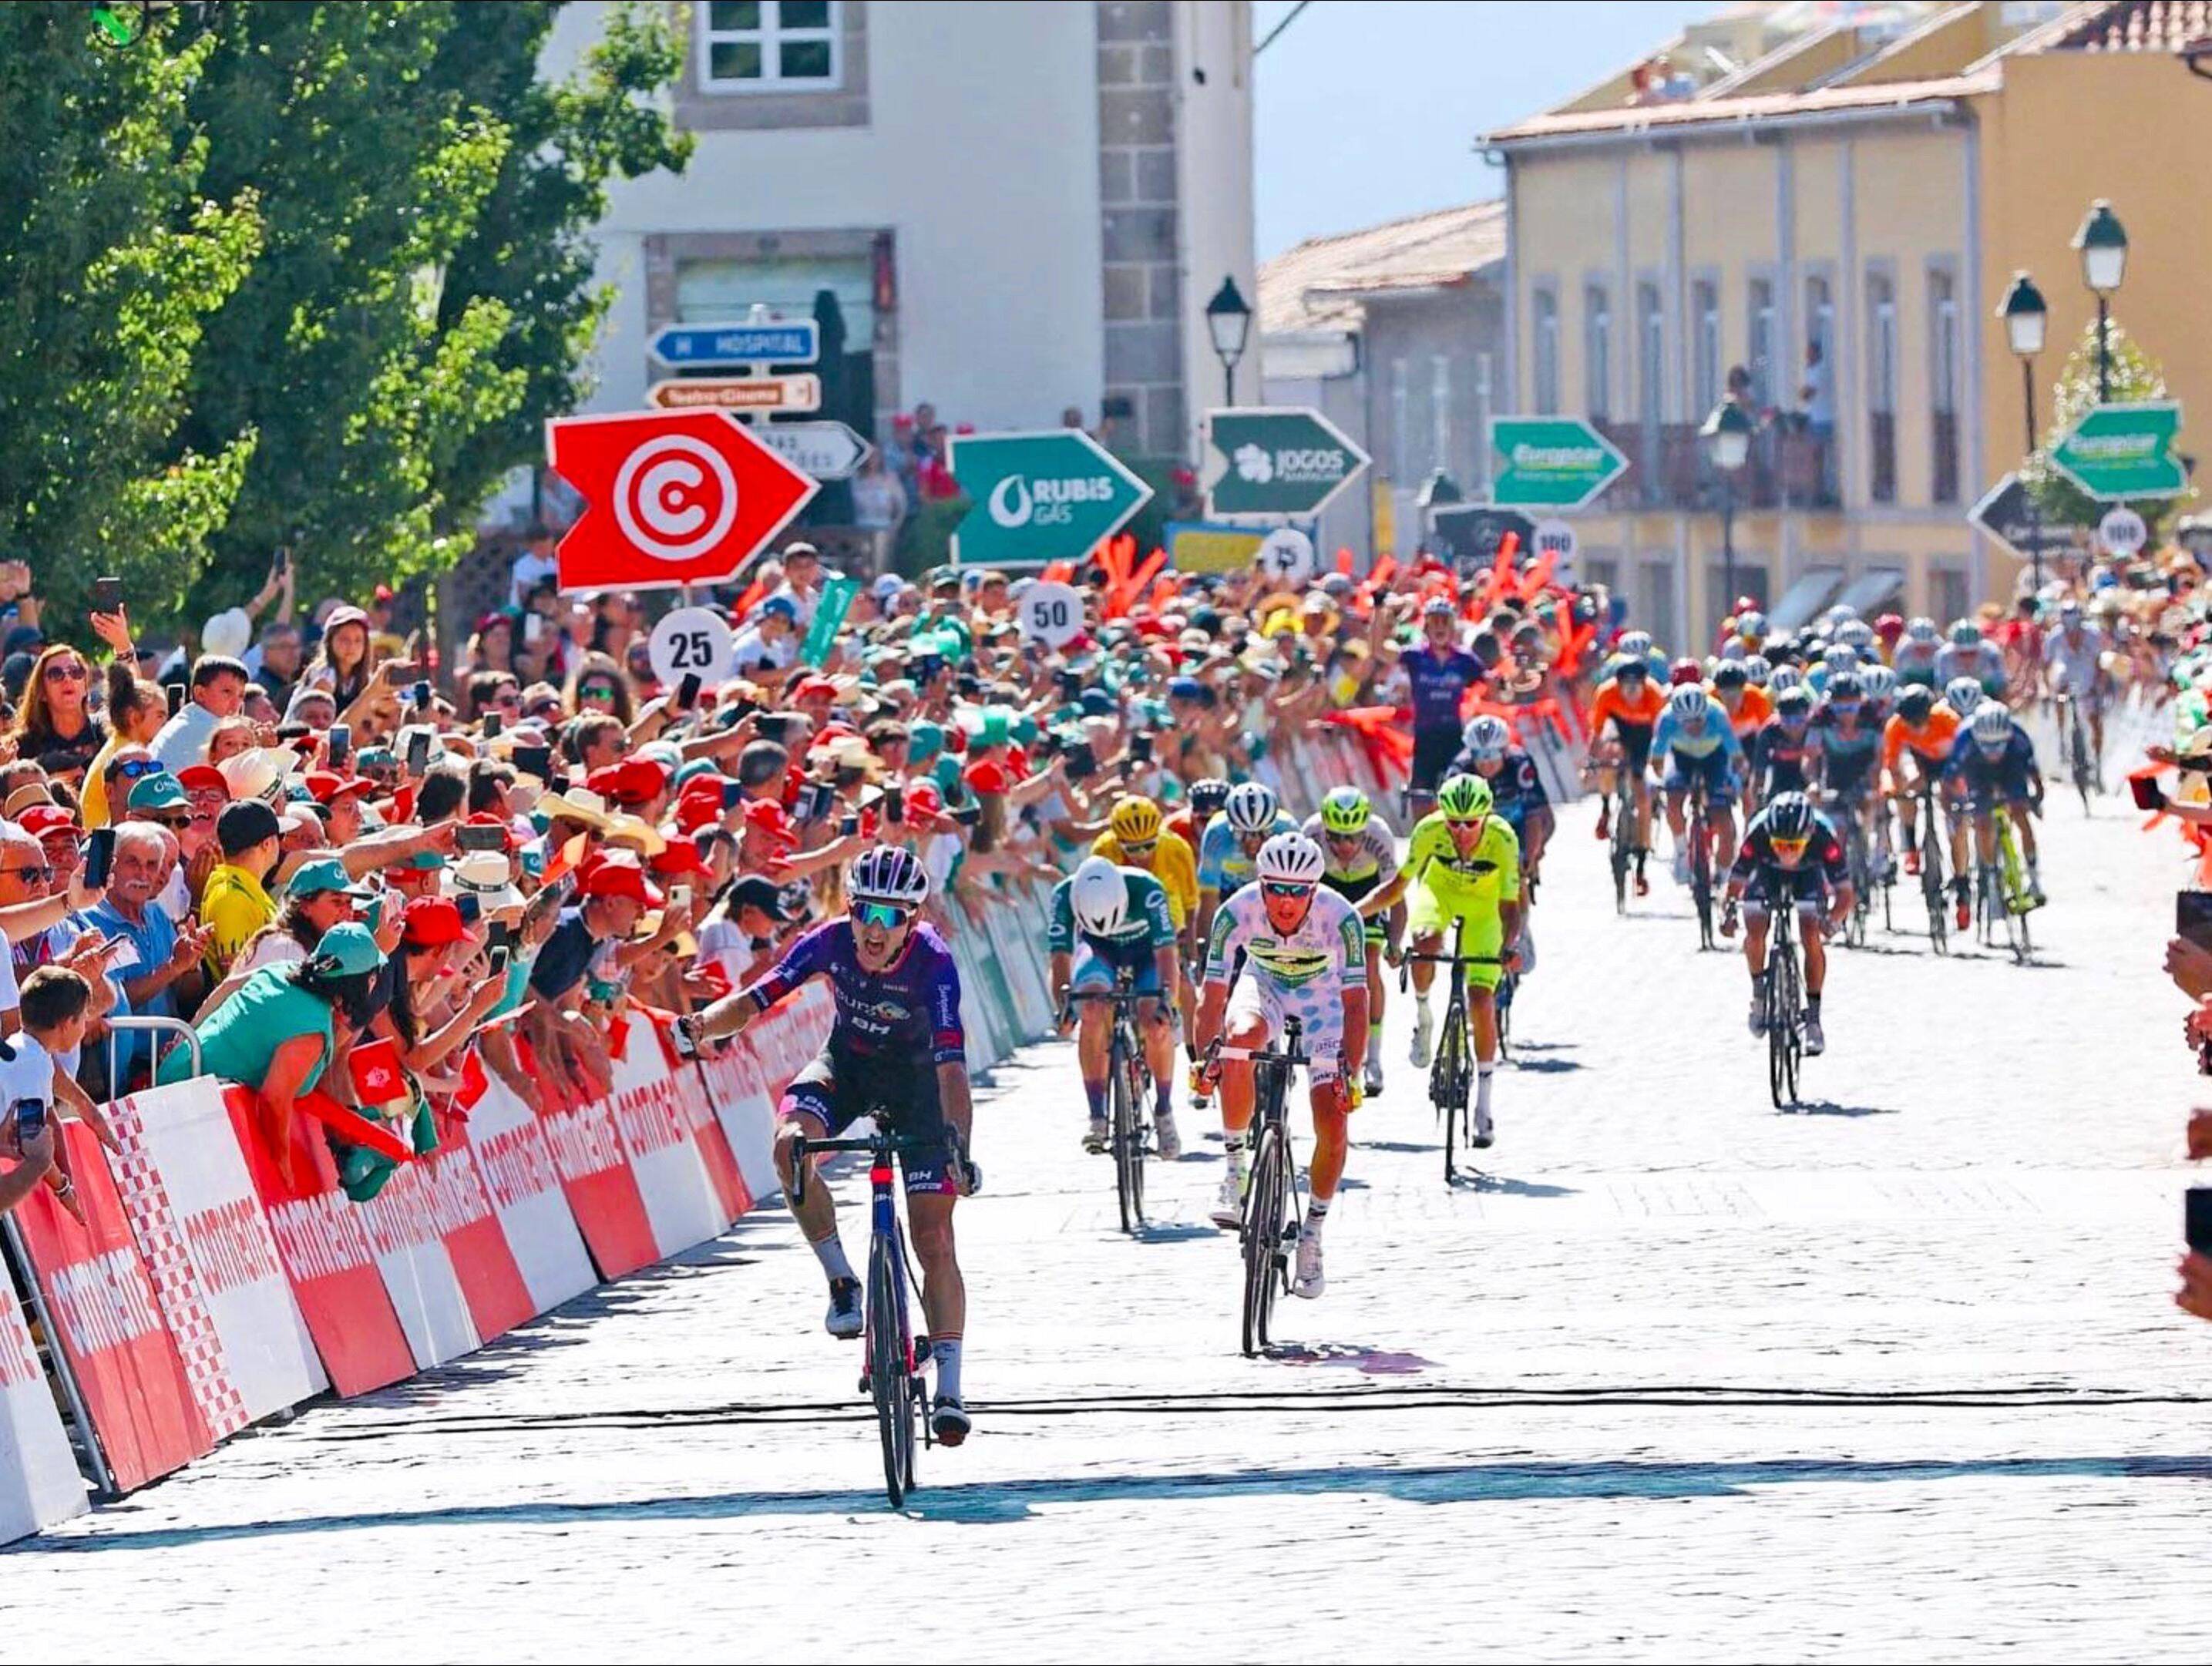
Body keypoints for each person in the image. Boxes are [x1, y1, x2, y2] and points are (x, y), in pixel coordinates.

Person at [679, 845, 979, 1448]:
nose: (875, 928)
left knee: (934, 1236)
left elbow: (952, 1071)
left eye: (892, 917)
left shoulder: (934, 963)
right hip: (848, 1068)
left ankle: (950, 1385)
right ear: (850, 907)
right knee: (788, 1145)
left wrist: (958, 1150)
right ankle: (843, 1280)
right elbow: (761, 997)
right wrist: (705, 1023)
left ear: (913, 922)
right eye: (867, 910)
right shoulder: (831, 941)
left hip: (922, 1086)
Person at [1195, 831, 1366, 1298]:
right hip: (1263, 987)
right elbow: (1211, 997)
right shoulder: (1235, 913)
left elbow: (1355, 1003)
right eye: (1276, 889)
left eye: (1298, 891)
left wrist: (1351, 1070)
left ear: (1314, 890)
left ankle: (1312, 1233)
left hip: (1324, 1002)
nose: (1286, 902)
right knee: (1238, 1042)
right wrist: (1205, 1057)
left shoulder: (1343, 919)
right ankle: (1235, 1171)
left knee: (1332, 1118)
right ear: (1261, 884)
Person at [159, 922, 388, 1186]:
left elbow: (225, 989)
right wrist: (282, 1165)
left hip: (178, 1075)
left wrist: (188, 1036)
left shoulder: (282, 970)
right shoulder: (310, 1033)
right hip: (187, 1109)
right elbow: (273, 1101)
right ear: (365, 982)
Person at [1400, 775, 1521, 1144]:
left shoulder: (1503, 839)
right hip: (1440, 895)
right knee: (1425, 943)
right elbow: (1398, 885)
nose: (1463, 830)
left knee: (1482, 1000)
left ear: (1487, 815)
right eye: (1454, 822)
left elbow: (1510, 906)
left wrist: (1510, 946)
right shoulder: (1428, 831)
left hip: (1485, 909)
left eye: (1472, 823)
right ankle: (1424, 1015)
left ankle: (1484, 1104)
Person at [1049, 853, 1180, 1157]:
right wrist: (1065, 1008)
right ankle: (1097, 1116)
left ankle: (1164, 1110)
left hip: (1146, 952)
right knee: (1091, 1009)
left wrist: (1167, 1003)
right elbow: (1060, 959)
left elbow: (1166, 954)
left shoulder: (1148, 889)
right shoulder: (1063, 896)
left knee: (1155, 1022)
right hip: (1099, 951)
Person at [1719, 790, 1851, 1056]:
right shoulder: (1757, 835)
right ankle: (1759, 994)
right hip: (1767, 875)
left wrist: (1833, 921)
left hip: (1809, 875)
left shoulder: (1824, 838)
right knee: (1755, 930)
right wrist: (1728, 914)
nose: (1787, 854)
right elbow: (1734, 885)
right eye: (1780, 845)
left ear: (1808, 838)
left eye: (1793, 846)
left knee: (1811, 935)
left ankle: (1813, 1019)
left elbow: (1846, 893)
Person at [1302, 786, 1404, 1097]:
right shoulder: (1311, 833)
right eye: (1336, 837)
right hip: (1327, 893)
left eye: (1352, 838)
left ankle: (1373, 1059)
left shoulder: (1380, 835)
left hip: (1368, 898)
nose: (1344, 845)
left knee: (1369, 966)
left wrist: (1395, 942)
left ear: (1364, 831)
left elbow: (1396, 896)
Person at [1944, 698, 2046, 908]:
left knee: (2020, 814)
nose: (1993, 752)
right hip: (1977, 772)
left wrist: (2035, 798)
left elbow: (2033, 772)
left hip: (2011, 768)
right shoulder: (1964, 738)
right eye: (1988, 746)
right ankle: (1990, 877)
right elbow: (1949, 781)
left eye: (1998, 745)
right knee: (1982, 822)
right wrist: (1955, 808)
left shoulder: (2018, 736)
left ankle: (2034, 878)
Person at [1651, 680, 1745, 887]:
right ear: (1677, 718)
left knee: (1723, 819)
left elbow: (1737, 758)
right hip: (1681, 758)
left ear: (1706, 713)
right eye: (1687, 722)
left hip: (1715, 758)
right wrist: (1661, 783)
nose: (1693, 726)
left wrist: (1735, 781)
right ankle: (1682, 852)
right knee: (1674, 801)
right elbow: (1657, 760)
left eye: (1698, 721)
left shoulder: (1718, 715)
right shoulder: (1667, 718)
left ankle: (1723, 873)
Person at [1586, 653, 1663, 892]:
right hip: (1619, 730)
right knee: (1608, 760)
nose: (1630, 692)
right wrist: (1592, 762)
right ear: (1618, 684)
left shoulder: (1654, 695)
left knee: (1642, 796)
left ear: (1644, 684)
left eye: (1635, 687)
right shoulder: (1606, 693)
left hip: (1643, 736)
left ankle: (1641, 863)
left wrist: (1655, 766)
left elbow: (1660, 737)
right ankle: (1606, 808)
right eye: (1625, 687)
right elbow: (1598, 733)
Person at [1403, 598, 1488, 811]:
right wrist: (1377, 608)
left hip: (1453, 736)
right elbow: (1378, 651)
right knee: (1420, 800)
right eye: (1434, 621)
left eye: (1445, 621)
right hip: (1424, 737)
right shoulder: (1414, 656)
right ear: (1426, 626)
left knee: (1462, 799)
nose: (1439, 626)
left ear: (1452, 627)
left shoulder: (1465, 659)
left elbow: (1491, 685)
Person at [198, 799, 284, 977]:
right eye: (280, 837)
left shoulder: (246, 888)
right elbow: (236, 979)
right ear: (267, 844)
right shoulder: (232, 898)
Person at [2042, 599, 2114, 781]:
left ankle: (2097, 759)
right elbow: (2046, 664)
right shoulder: (2055, 637)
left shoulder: (2092, 634)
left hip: (2087, 672)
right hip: (2067, 671)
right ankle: (2062, 737)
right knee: (2060, 691)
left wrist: (2099, 687)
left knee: (2094, 718)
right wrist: (2049, 688)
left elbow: (2100, 663)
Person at [150, 654, 250, 770]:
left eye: (241, 695)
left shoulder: (190, 718)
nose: (236, 703)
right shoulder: (206, 728)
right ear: (200, 693)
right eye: (227, 692)